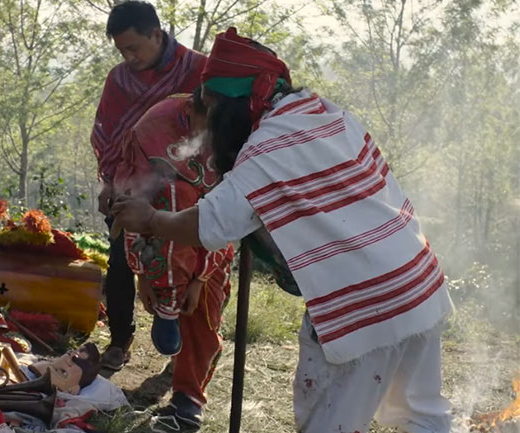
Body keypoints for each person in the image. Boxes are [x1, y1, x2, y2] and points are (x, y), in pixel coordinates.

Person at [112, 27, 453, 433]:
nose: (211, 125)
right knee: (422, 418)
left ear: (237, 105)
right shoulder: (322, 111)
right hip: (419, 285)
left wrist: (150, 220)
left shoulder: (267, 148)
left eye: (215, 109)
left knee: (328, 424)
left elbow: (209, 224)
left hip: (363, 305)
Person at [92, 0, 207, 371]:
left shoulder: (199, 70)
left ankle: (182, 355)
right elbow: (109, 135)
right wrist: (109, 183)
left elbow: (215, 131)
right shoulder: (119, 80)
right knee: (122, 264)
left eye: (133, 48)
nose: (128, 57)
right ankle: (120, 339)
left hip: (187, 189)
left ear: (156, 34)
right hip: (132, 186)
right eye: (121, 50)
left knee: (189, 267)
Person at [114, 89, 233, 429]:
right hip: (157, 241)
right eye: (203, 124)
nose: (206, 135)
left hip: (208, 243)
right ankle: (167, 309)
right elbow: (132, 203)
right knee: (175, 195)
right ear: (190, 110)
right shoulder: (153, 129)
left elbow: (228, 216)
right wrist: (143, 275)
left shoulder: (236, 137)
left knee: (203, 322)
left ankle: (187, 400)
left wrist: (200, 279)